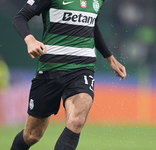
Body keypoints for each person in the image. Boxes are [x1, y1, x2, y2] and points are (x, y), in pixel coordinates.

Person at [10, 0, 126, 149]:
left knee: (77, 121)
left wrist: (110, 58)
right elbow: (20, 17)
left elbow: (91, 26)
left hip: (83, 68)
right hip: (50, 70)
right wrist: (29, 39)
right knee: (32, 135)